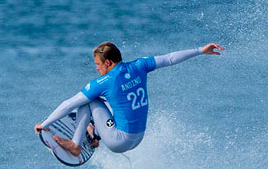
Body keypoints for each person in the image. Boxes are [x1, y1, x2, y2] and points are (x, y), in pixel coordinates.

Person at [35, 41, 224, 158]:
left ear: (107, 62)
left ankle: (76, 145)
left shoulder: (104, 81)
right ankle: (94, 134)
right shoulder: (139, 65)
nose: (97, 69)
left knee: (90, 100)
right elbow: (170, 59)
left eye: (98, 65)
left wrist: (45, 123)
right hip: (138, 137)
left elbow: (68, 104)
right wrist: (201, 50)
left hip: (119, 140)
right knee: (113, 100)